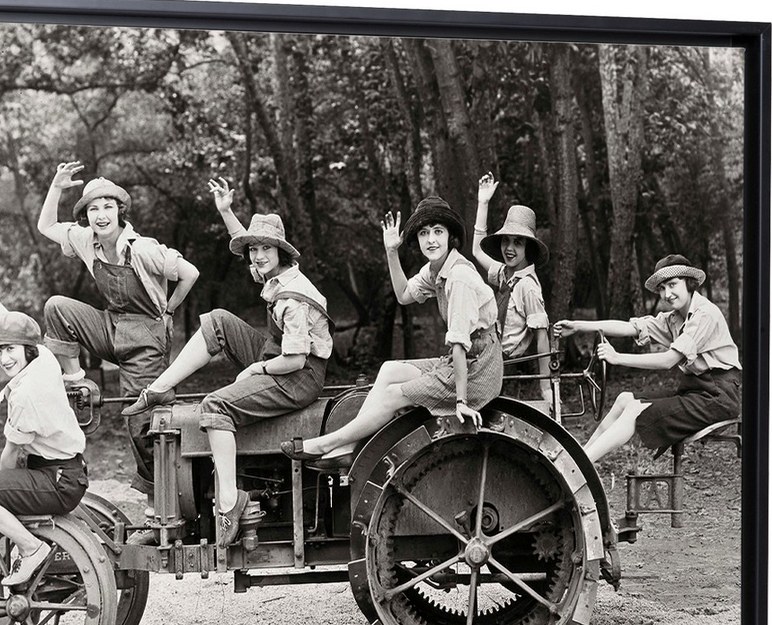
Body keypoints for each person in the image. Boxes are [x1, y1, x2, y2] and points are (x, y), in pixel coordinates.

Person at [121, 177, 333, 547]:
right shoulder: (276, 274)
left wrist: (256, 368)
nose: (258, 256)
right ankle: (160, 388)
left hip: (298, 375)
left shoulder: (292, 298)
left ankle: (230, 501)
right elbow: (246, 246)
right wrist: (226, 211)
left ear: (281, 252)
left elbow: (297, 359)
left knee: (215, 405)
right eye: (255, 250)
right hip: (279, 354)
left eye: (266, 249)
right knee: (218, 320)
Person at [280, 196, 502, 466]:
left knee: (393, 395)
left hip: (478, 371)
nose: (431, 240)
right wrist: (391, 251)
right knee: (389, 370)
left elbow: (458, 345)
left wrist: (461, 402)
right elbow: (404, 295)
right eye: (424, 233)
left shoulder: (459, 277)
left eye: (438, 231)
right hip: (464, 361)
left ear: (450, 236)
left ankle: (327, 443)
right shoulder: (437, 270)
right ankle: (348, 447)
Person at [36, 161, 200, 507]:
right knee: (56, 307)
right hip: (112, 327)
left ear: (119, 211)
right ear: (86, 216)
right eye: (93, 209)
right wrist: (56, 186)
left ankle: (166, 499)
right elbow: (46, 225)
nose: (101, 215)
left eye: (107, 206)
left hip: (146, 339)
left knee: (141, 421)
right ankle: (78, 381)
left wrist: (169, 310)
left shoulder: (143, 248)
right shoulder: (86, 240)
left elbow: (190, 273)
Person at [0, 261, 88, 587]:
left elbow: (10, 457)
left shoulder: (26, 395)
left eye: (9, 350)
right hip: (67, 473)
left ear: (25, 349)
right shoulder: (44, 359)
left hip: (56, 482)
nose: (4, 359)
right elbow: (16, 329)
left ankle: (31, 547)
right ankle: (25, 540)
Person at [553, 254, 741, 464]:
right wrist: (578, 326)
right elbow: (629, 327)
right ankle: (577, 461)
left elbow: (668, 360)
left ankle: (579, 467)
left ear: (689, 283)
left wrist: (618, 357)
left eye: (672, 285)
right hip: (695, 390)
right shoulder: (674, 318)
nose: (667, 294)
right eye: (662, 288)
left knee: (635, 410)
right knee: (625, 399)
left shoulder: (705, 314)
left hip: (718, 397)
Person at [472, 172, 552, 404]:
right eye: (506, 240)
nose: (509, 248)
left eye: (518, 242)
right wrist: (483, 203)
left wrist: (546, 387)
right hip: (486, 356)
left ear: (528, 248)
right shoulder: (505, 275)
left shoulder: (527, 286)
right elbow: (476, 251)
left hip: (505, 366)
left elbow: (542, 337)